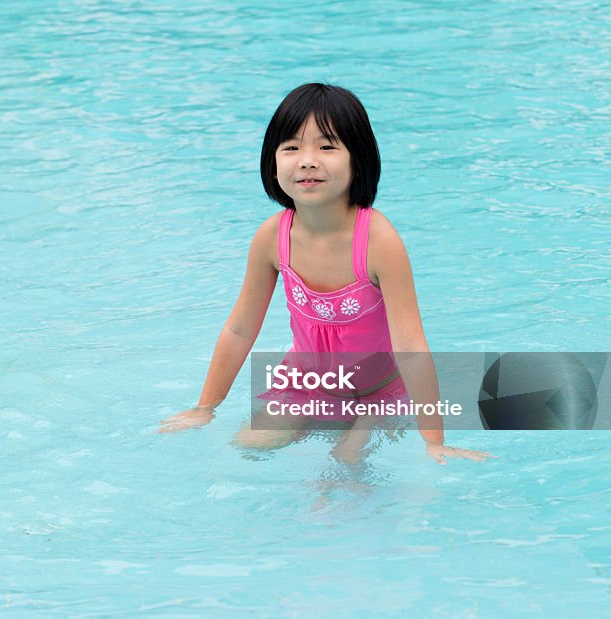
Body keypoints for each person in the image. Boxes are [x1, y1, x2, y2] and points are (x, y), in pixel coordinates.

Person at [159, 83, 494, 465]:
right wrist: (205, 408)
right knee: (251, 447)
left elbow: (411, 348)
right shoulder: (273, 237)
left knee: (347, 461)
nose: (307, 160)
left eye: (326, 146)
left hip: (377, 393)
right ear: (272, 162)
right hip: (308, 384)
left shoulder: (379, 242)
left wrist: (434, 440)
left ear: (359, 160)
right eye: (291, 148)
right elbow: (239, 329)